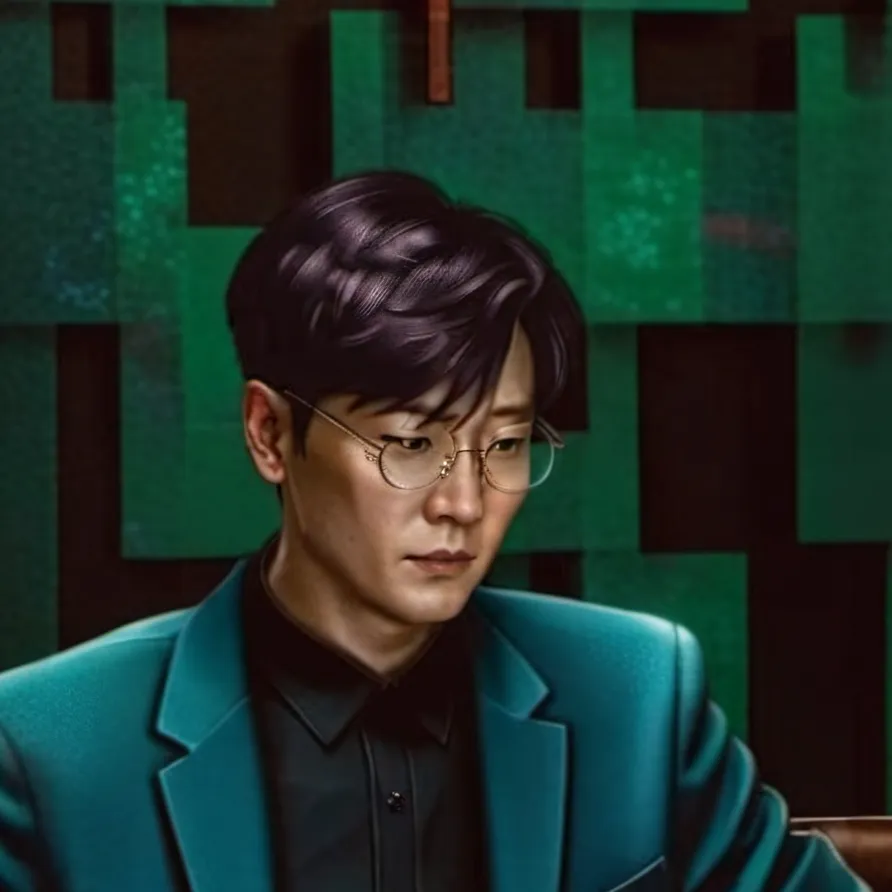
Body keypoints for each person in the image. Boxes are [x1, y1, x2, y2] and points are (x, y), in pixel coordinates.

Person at [0, 172, 867, 892]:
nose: (464, 502)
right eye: (412, 445)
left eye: (506, 445)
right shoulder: (52, 746)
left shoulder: (633, 697)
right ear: (270, 434)